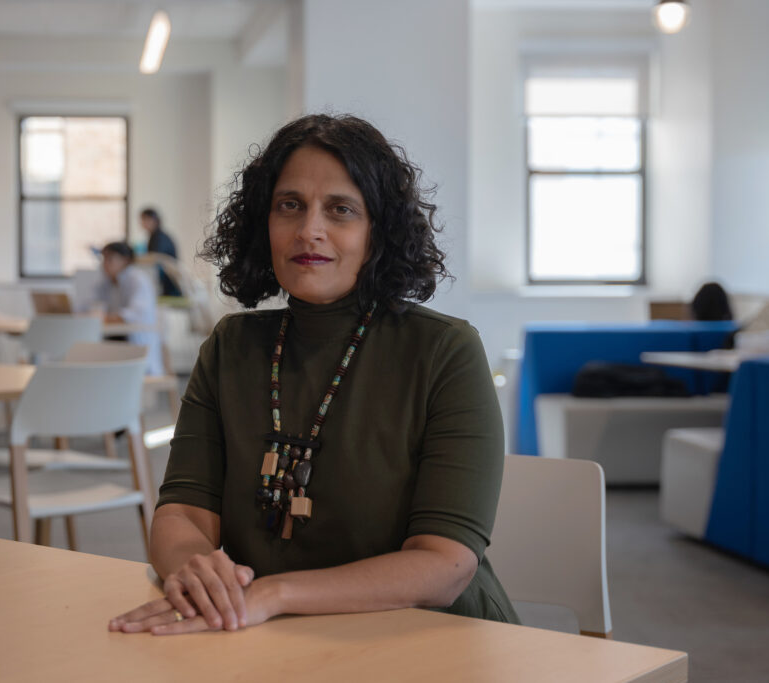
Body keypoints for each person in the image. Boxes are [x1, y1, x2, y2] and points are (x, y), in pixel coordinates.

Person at [109, 114, 519, 637]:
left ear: (378, 232)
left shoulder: (445, 350)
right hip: (263, 635)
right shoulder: (232, 345)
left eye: (341, 210)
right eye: (290, 206)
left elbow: (444, 566)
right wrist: (195, 568)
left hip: (432, 640)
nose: (309, 231)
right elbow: (181, 514)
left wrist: (273, 594)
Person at [88, 241, 163, 376]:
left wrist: (103, 318)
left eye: (110, 259)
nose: (104, 264)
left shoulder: (137, 279)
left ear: (125, 260)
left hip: (137, 347)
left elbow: (133, 315)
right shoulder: (107, 282)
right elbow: (91, 305)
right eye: (103, 259)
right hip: (117, 343)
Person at [140, 207, 183, 297]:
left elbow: (154, 257)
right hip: (166, 283)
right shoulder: (154, 236)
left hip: (171, 285)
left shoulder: (159, 237)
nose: (142, 223)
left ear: (153, 220)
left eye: (144, 219)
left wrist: (134, 259)